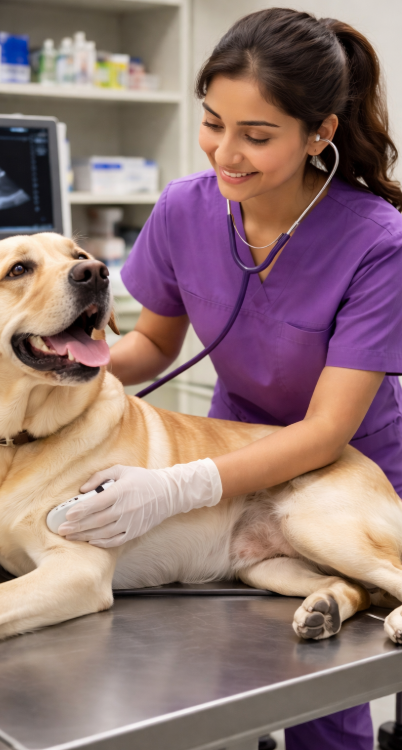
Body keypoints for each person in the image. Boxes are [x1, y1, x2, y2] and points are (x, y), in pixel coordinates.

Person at [58, 9, 402, 749]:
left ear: (320, 134)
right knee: (229, 661)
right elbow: (152, 341)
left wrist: (182, 485)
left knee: (323, 692)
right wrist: (63, 365)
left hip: (345, 463)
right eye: (214, 122)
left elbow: (325, 430)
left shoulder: (378, 242)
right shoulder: (185, 207)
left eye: (257, 135)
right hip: (228, 437)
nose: (226, 154)